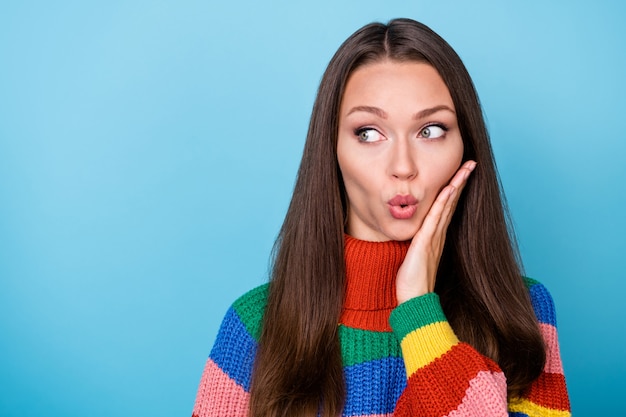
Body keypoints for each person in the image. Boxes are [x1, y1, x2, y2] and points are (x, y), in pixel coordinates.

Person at [191, 18, 571, 417]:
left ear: (466, 145)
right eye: (369, 133)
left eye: (431, 130)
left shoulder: (520, 312)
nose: (403, 166)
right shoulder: (254, 328)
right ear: (331, 150)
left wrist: (420, 313)